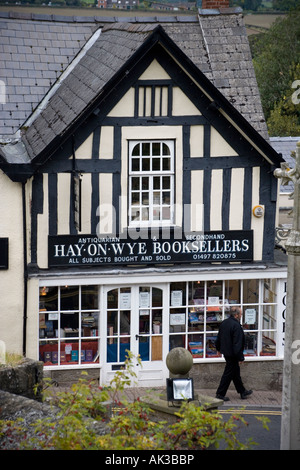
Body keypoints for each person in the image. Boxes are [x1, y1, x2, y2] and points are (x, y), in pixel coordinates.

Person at [215, 306, 252, 401]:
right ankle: (220, 393)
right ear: (236, 315)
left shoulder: (224, 323)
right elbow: (237, 343)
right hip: (233, 354)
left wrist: (218, 349)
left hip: (226, 352)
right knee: (228, 374)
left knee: (235, 373)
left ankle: (242, 391)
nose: (241, 315)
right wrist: (240, 357)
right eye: (240, 314)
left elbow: (218, 338)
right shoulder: (236, 326)